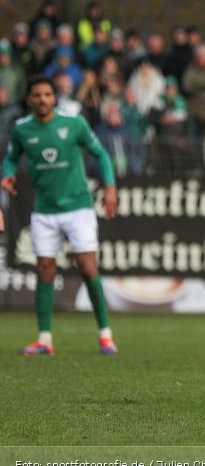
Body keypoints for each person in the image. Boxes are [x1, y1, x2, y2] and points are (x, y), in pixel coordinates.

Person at [1, 77, 119, 356]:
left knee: (88, 267)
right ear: (29, 100)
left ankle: (105, 336)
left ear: (55, 98)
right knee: (44, 269)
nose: (42, 99)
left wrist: (111, 188)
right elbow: (10, 157)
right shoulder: (22, 130)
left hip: (78, 208)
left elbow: (101, 154)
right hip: (44, 210)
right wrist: (7, 175)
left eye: (47, 94)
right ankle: (44, 339)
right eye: (37, 95)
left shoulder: (74, 123)